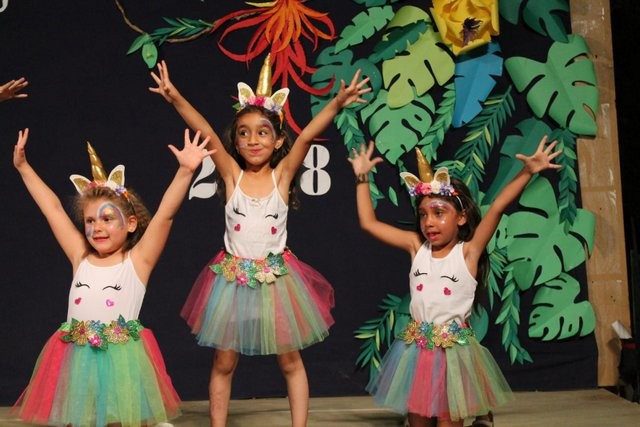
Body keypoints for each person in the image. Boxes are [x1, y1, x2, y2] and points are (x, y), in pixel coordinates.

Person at [148, 54, 371, 427]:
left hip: (276, 281)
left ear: (278, 139)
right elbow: (204, 128)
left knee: (290, 360)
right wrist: (174, 97)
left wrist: (336, 103)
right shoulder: (231, 176)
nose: (253, 140)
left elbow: (307, 136)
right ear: (235, 141)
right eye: (244, 132)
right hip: (233, 282)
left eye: (263, 132)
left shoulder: (282, 177)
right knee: (224, 361)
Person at [348, 137, 562, 427]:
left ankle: (482, 418)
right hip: (418, 353)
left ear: (461, 217)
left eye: (439, 213)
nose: (429, 222)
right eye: (423, 214)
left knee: (449, 421)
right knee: (419, 420)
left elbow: (498, 206)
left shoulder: (468, 253)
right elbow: (369, 223)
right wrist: (362, 177)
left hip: (453, 356)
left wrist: (527, 171)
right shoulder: (416, 247)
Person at [11, 127, 215, 426]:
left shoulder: (138, 261)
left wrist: (185, 171)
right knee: (77, 418)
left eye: (107, 219)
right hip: (76, 358)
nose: (97, 228)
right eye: (90, 220)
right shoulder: (80, 257)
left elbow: (165, 215)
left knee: (119, 419)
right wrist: (23, 167)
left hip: (121, 361)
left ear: (130, 224)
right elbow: (53, 209)